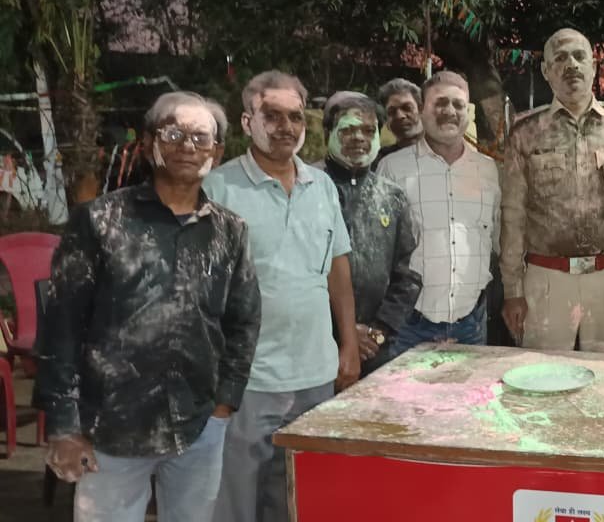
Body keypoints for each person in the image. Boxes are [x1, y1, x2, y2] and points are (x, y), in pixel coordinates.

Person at [39, 92, 260, 522]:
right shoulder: (100, 221)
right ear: (147, 143)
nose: (187, 146)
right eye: (173, 134)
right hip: (110, 429)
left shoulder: (229, 231)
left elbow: (244, 320)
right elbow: (61, 328)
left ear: (217, 152)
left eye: (201, 137)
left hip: (198, 424)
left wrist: (225, 404)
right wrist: (64, 426)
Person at [205, 70, 360, 522]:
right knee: (236, 503)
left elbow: (338, 269)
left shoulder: (322, 186)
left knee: (296, 499)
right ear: (247, 121)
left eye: (295, 116)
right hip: (247, 378)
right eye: (271, 115)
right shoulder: (218, 189)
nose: (285, 127)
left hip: (315, 373)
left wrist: (348, 345)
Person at [500, 28, 604, 353]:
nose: (571, 65)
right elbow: (512, 216)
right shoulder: (525, 132)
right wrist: (512, 290)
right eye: (560, 58)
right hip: (547, 280)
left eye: (579, 56)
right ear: (546, 71)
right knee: (543, 373)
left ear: (594, 65)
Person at [379, 72, 500, 350]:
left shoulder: (487, 170)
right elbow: (382, 250)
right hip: (408, 324)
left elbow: (496, 237)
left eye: (458, 104)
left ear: (468, 112)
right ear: (423, 110)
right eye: (440, 103)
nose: (449, 111)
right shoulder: (393, 169)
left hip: (471, 322)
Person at [319, 91, 422, 373]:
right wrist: (344, 333)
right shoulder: (310, 189)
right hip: (318, 344)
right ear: (327, 133)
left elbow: (408, 274)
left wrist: (378, 332)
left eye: (368, 130)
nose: (359, 138)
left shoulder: (392, 196)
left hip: (377, 347)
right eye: (347, 130)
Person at [373, 78, 424, 165]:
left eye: (407, 108)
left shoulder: (445, 153)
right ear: (386, 121)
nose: (400, 116)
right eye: (392, 112)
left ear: (421, 110)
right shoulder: (380, 162)